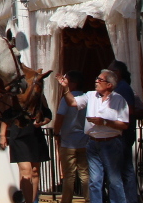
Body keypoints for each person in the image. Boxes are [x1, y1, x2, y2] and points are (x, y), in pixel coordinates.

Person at [57, 69, 131, 203]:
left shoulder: (119, 99)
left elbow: (124, 124)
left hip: (111, 143)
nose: (96, 81)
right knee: (94, 180)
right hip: (92, 143)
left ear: (109, 84)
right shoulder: (90, 95)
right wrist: (66, 88)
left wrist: (104, 122)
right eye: (97, 78)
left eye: (100, 79)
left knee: (114, 180)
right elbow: (72, 102)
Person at [0, 92, 52, 203]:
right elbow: (6, 117)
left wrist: (43, 122)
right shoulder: (17, 97)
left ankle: (32, 200)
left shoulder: (38, 98)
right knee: (25, 170)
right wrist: (2, 135)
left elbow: (48, 114)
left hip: (35, 136)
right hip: (18, 137)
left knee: (35, 171)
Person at [108, 60, 143, 203]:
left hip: (123, 133)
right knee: (122, 169)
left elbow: (129, 110)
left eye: (110, 71)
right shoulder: (120, 87)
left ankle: (129, 199)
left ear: (117, 73)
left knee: (124, 169)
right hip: (120, 133)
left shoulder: (122, 88)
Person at [53, 70, 89, 203]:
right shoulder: (87, 98)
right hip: (84, 140)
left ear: (73, 83)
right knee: (85, 174)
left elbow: (60, 117)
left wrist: (56, 132)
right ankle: (89, 199)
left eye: (65, 80)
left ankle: (66, 200)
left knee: (69, 175)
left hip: (68, 142)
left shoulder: (66, 99)